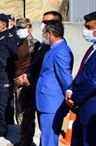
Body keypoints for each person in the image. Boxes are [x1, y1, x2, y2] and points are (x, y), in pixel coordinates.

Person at [36, 20, 73, 146]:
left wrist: (69, 93)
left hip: (51, 103)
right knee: (46, 138)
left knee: (49, 140)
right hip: (47, 101)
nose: (43, 36)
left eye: (44, 33)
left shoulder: (61, 51)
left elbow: (65, 77)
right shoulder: (53, 49)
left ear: (50, 34)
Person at [65, 11, 96, 146]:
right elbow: (82, 73)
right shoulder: (92, 48)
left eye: (89, 28)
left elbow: (93, 82)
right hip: (82, 107)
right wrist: (70, 90)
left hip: (91, 109)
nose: (85, 31)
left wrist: (75, 98)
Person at [11, 18, 39, 146]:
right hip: (17, 80)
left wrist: (25, 77)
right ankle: (23, 139)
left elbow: (34, 65)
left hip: (26, 83)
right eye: (18, 28)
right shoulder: (18, 43)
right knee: (19, 112)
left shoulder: (34, 44)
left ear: (29, 28)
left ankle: (27, 141)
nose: (20, 30)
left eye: (23, 28)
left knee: (26, 114)